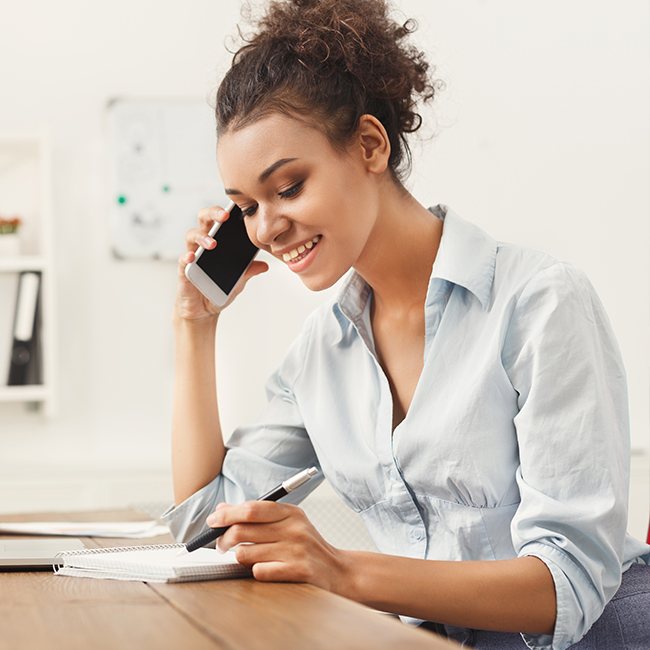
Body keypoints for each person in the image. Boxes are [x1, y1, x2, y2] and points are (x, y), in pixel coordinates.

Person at [162, 1, 650, 647]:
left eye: (288, 187)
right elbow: (204, 525)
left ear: (369, 144)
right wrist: (194, 324)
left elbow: (569, 585)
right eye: (246, 206)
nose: (265, 228)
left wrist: (342, 570)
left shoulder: (538, 303)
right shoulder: (322, 355)